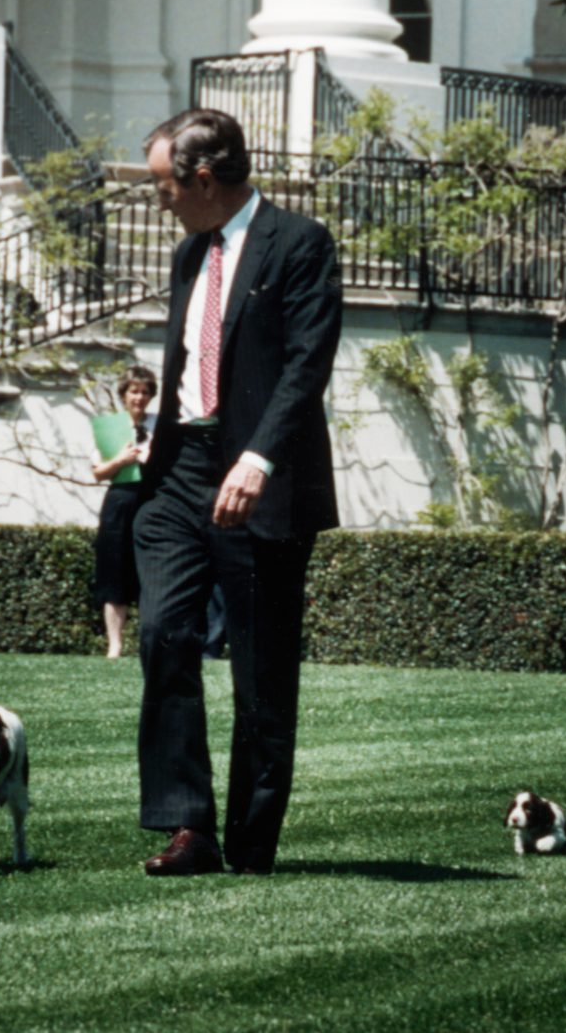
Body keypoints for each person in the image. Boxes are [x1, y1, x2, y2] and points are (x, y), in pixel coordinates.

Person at [132, 106, 343, 878]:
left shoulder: (300, 244)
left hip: (260, 481)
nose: (160, 201)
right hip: (180, 474)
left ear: (204, 177)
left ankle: (252, 846)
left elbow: (306, 364)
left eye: (164, 186)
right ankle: (189, 827)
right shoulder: (193, 254)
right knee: (163, 635)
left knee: (260, 672)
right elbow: (187, 359)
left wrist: (258, 459)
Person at [92, 365, 158, 659]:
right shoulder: (108, 427)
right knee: (115, 573)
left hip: (153, 500)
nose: (139, 398)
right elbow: (98, 473)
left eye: (145, 392)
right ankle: (115, 647)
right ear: (123, 395)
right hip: (120, 501)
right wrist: (121, 459)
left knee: (152, 574)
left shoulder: (161, 425)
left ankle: (151, 643)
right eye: (134, 391)